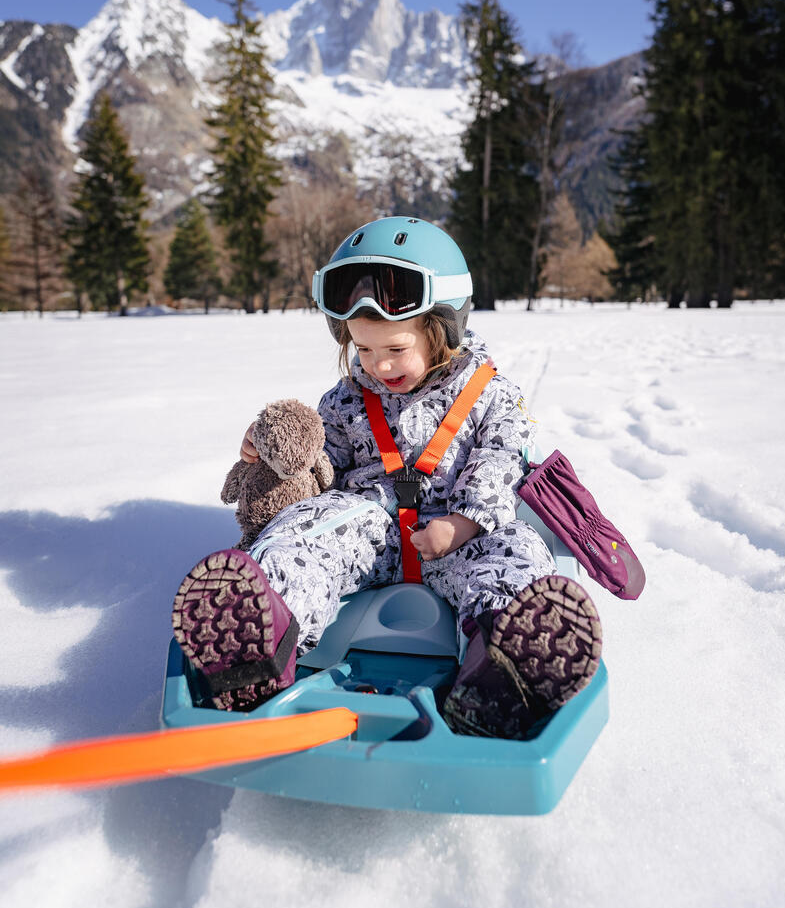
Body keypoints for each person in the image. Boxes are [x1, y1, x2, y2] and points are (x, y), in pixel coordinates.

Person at [172, 217, 602, 740]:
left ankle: (505, 671)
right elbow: (323, 466)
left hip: (457, 534)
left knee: (515, 551)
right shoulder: (348, 398)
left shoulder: (493, 394)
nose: (377, 365)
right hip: (372, 523)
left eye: (394, 349)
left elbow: (500, 456)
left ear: (442, 329)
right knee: (307, 530)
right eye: (363, 350)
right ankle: (256, 639)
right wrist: (275, 455)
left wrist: (464, 523)